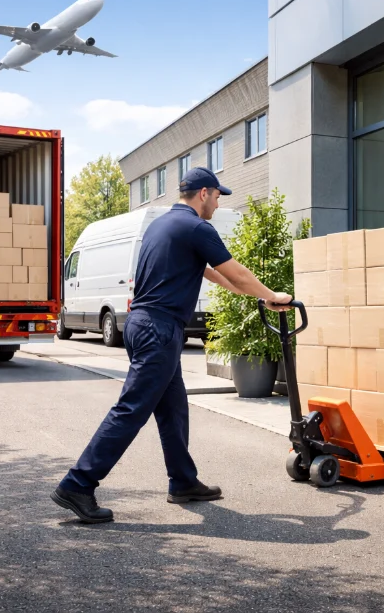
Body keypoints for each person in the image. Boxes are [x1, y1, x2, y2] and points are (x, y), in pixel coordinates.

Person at [51, 166, 293, 523]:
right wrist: (272, 294)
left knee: (173, 407)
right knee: (131, 409)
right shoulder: (197, 227)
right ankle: (78, 484)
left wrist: (253, 296)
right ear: (204, 194)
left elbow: (212, 273)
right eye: (217, 196)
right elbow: (234, 269)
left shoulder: (161, 225)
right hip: (158, 330)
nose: (218, 203)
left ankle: (182, 482)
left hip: (141, 324)